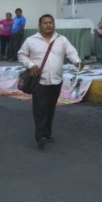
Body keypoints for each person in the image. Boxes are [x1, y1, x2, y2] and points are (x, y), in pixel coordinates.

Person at [18, 14, 83, 150]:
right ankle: (40, 135)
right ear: (39, 25)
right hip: (39, 81)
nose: (48, 25)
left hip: (56, 80)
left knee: (50, 107)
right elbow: (21, 54)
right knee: (40, 108)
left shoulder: (62, 39)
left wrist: (77, 61)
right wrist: (30, 65)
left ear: (54, 24)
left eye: (50, 22)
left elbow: (71, 52)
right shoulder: (31, 40)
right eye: (45, 23)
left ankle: (47, 133)